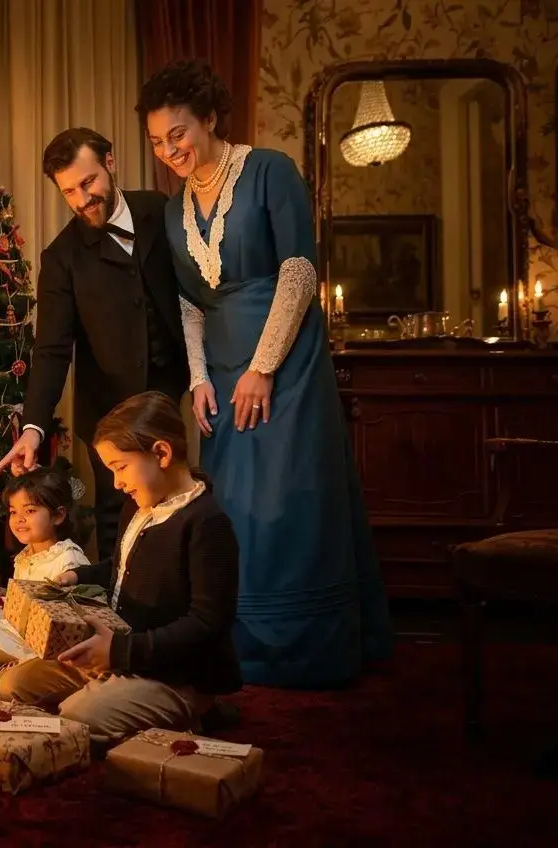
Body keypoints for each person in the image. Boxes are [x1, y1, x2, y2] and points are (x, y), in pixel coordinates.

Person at [137, 60, 393, 688]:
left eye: (179, 134)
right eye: (157, 141)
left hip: (288, 365)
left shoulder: (270, 170)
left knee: (288, 502)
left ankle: (308, 652)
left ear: (210, 120)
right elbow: (190, 304)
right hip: (223, 375)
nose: (170, 150)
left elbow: (300, 273)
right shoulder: (172, 213)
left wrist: (262, 368)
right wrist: (201, 378)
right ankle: (237, 648)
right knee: (235, 512)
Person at [0, 128, 189, 563]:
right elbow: (52, 350)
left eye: (88, 183)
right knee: (120, 522)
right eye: (69, 192)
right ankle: (125, 615)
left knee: (178, 511)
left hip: (173, 398)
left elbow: (195, 294)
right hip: (109, 416)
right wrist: (32, 427)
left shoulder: (159, 209)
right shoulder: (61, 258)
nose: (81, 199)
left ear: (110, 163)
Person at [0, 392, 241, 743]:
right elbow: (122, 566)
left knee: (78, 716)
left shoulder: (207, 524)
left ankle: (195, 712)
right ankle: (110, 694)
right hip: (120, 656)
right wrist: (78, 576)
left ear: (161, 453)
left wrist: (120, 652)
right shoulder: (138, 506)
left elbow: (208, 622)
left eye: (119, 468)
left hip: (171, 675)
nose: (116, 483)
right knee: (12, 683)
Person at [0, 469, 91, 687]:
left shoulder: (68, 559)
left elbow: (74, 625)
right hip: (22, 630)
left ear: (58, 515)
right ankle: (0, 670)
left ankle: (1, 673)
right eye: (13, 512)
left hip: (49, 643)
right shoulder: (24, 556)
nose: (19, 520)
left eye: (29, 511)